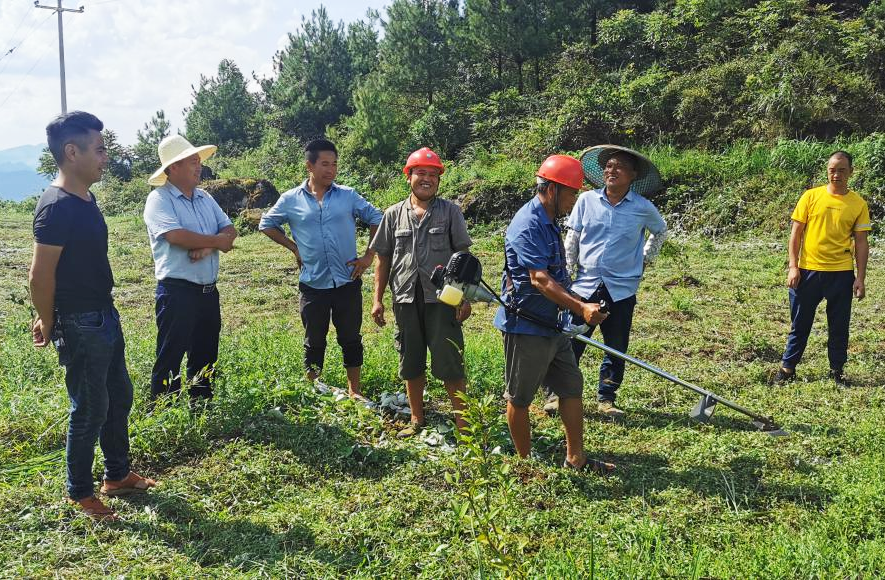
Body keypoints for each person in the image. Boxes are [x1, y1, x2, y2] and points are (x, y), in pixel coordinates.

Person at [29, 111, 156, 522]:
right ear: (72, 152)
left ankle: (116, 475)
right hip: (79, 321)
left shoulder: (86, 196)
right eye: (99, 150)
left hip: (104, 313)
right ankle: (79, 492)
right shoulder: (55, 207)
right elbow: (39, 273)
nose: (106, 157)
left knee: (118, 395)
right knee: (89, 406)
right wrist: (47, 319)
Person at [494, 154, 615, 473]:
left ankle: (576, 459)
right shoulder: (529, 222)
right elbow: (539, 279)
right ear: (551, 189)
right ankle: (525, 465)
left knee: (571, 387)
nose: (574, 200)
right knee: (520, 397)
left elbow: (557, 277)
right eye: (572, 193)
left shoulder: (550, 221)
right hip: (527, 325)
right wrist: (580, 307)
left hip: (553, 324)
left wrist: (579, 302)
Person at [544, 146, 667, 419]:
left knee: (615, 345)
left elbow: (660, 231)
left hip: (621, 288)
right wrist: (566, 272)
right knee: (570, 340)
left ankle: (607, 399)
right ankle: (554, 394)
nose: (612, 171)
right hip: (584, 284)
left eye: (619, 167)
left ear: (633, 175)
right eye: (608, 166)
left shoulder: (642, 208)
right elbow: (573, 237)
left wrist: (645, 260)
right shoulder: (587, 200)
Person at [259, 139, 382, 397]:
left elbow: (377, 218)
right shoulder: (291, 199)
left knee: (351, 337)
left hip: (347, 280)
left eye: (334, 164)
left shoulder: (348, 196)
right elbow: (267, 223)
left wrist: (368, 255)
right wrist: (294, 247)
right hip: (313, 283)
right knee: (314, 340)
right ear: (309, 166)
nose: (331, 169)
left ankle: (354, 390)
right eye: (325, 164)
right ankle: (314, 389)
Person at [370, 148, 472, 436]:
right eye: (421, 173)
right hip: (404, 298)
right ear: (409, 177)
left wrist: (464, 297)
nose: (426, 179)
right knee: (410, 360)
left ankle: (464, 426)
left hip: (443, 299)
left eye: (433, 174)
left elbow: (463, 257)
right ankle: (417, 419)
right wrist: (377, 300)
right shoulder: (392, 215)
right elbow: (384, 260)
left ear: (439, 180)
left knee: (450, 362)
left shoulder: (450, 212)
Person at [143, 135, 237, 403]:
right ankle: (164, 414)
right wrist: (217, 241)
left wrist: (209, 247)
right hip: (177, 291)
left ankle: (201, 409)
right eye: (191, 161)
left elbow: (229, 230)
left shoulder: (205, 197)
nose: (199, 166)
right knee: (171, 354)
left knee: (206, 353)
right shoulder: (159, 199)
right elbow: (175, 236)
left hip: (208, 291)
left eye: (198, 161)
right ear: (172, 168)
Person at [773, 151, 871, 387]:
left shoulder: (858, 203)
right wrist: (793, 267)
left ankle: (837, 371)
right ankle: (787, 369)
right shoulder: (810, 196)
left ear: (851, 172)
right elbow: (796, 234)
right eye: (832, 170)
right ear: (827, 170)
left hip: (841, 274)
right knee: (800, 323)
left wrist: (861, 277)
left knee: (839, 325)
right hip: (807, 272)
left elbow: (861, 242)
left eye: (842, 170)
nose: (836, 175)